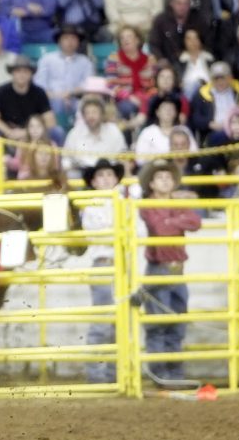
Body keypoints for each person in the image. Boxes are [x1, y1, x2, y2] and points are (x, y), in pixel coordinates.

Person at [137, 159, 201, 382]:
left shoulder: (170, 204)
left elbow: (195, 222)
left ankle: (173, 373)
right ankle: (160, 373)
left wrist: (170, 219)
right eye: (160, 177)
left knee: (176, 323)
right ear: (152, 184)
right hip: (159, 269)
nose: (165, 181)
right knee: (159, 324)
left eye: (168, 177)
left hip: (175, 270)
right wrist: (177, 220)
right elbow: (161, 228)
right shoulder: (148, 205)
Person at [80, 159, 123, 384]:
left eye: (109, 175)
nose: (106, 179)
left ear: (116, 179)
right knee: (103, 322)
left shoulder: (122, 202)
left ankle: (114, 374)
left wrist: (114, 233)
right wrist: (118, 232)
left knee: (119, 322)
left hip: (121, 264)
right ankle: (97, 375)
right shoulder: (92, 205)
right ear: (94, 182)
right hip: (105, 263)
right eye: (101, 176)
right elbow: (96, 236)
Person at [0, 55, 62, 144]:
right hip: (7, 134)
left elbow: (51, 121)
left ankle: (57, 158)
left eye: (25, 71)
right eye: (18, 71)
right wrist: (9, 132)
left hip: (33, 135)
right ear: (12, 73)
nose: (21, 75)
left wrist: (26, 132)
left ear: (31, 74)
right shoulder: (1, 91)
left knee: (57, 132)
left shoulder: (39, 92)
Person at [33, 24, 93, 123]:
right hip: (52, 99)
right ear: (59, 41)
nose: (70, 42)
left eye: (73, 38)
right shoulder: (47, 59)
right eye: (66, 38)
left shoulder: (85, 61)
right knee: (56, 103)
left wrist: (70, 93)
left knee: (87, 105)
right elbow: (40, 85)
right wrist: (59, 96)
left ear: (78, 42)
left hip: (76, 99)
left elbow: (88, 84)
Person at [62, 96, 128, 177]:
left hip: (110, 174)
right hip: (81, 173)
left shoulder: (113, 131)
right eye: (87, 113)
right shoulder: (74, 133)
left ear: (102, 114)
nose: (91, 116)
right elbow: (66, 159)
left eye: (94, 112)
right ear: (83, 116)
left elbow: (123, 156)